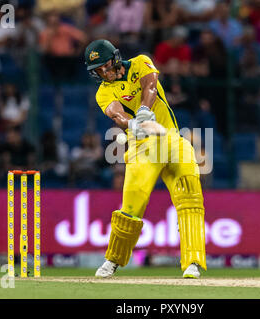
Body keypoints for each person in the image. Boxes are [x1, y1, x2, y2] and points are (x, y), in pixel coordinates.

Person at [85, 39, 207, 278]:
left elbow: (150, 86)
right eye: (98, 70)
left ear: (116, 58)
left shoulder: (141, 62)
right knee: (131, 207)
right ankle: (112, 260)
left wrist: (143, 111)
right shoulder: (103, 92)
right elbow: (116, 113)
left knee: (191, 198)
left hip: (172, 139)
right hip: (142, 146)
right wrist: (131, 123)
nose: (104, 73)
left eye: (106, 66)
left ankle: (193, 262)